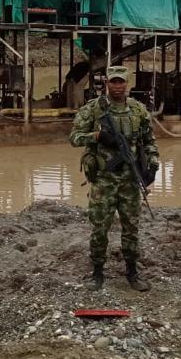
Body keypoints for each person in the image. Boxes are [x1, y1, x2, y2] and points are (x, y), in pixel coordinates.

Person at [69, 65, 160, 291]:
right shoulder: (94, 109)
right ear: (106, 83)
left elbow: (149, 141)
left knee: (131, 228)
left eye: (121, 82)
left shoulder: (138, 110)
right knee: (100, 228)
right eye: (113, 82)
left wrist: (154, 162)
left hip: (130, 181)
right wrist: (98, 136)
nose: (117, 86)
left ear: (127, 83)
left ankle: (132, 272)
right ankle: (97, 272)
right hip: (103, 180)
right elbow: (74, 138)